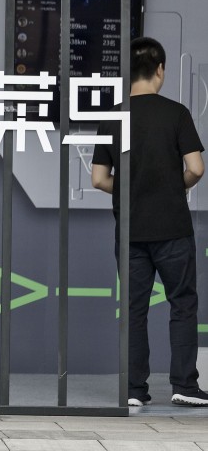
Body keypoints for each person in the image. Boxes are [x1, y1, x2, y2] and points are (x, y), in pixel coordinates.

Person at [91, 36, 207, 407]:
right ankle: (184, 386)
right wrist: (175, 187)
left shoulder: (113, 115)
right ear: (160, 70)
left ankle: (134, 390)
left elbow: (97, 178)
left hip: (130, 229)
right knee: (183, 303)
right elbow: (196, 168)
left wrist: (129, 193)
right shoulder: (176, 113)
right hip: (172, 227)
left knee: (134, 308)